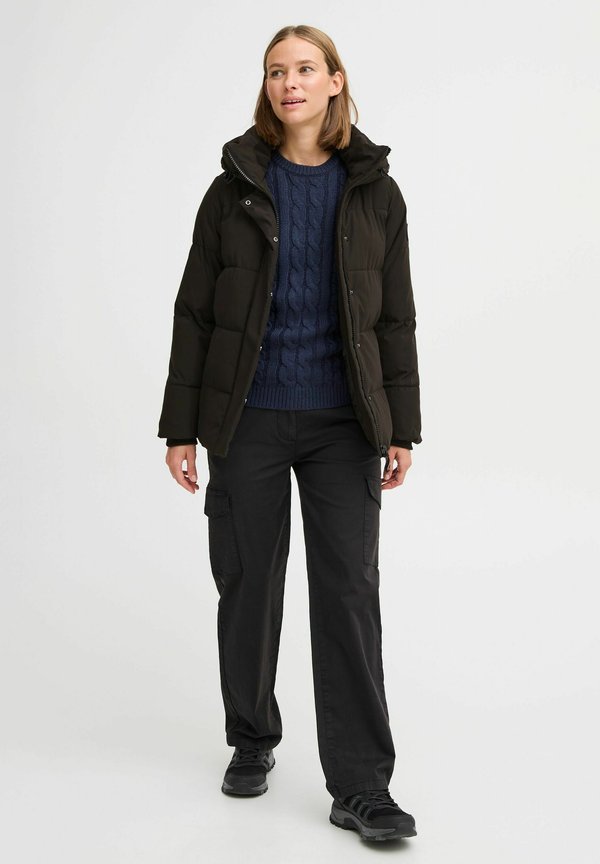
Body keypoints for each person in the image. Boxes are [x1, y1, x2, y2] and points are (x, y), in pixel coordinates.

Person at [157, 24, 422, 843]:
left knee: (349, 594)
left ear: (336, 81)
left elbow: (395, 317)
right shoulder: (233, 188)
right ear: (267, 87)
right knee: (248, 584)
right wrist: (180, 427)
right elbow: (196, 313)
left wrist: (402, 427)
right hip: (249, 419)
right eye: (277, 71)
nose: (290, 83)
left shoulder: (375, 192)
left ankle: (362, 787)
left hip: (346, 424)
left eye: (306, 69)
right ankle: (252, 738)